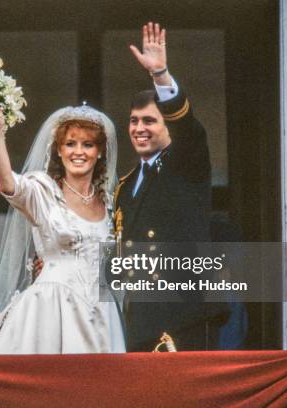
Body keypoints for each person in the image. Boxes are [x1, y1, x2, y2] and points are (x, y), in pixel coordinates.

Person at [0, 95, 125, 354]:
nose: (78, 152)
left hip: (101, 311)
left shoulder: (111, 202)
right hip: (51, 307)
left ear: (99, 152)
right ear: (59, 150)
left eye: (87, 145)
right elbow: (7, 185)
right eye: (70, 144)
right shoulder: (43, 191)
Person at [115, 22, 225, 351]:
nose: (139, 129)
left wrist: (161, 76)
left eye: (149, 121)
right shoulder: (126, 184)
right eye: (134, 121)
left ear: (167, 126)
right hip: (139, 319)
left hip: (184, 316)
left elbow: (189, 130)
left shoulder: (185, 162)